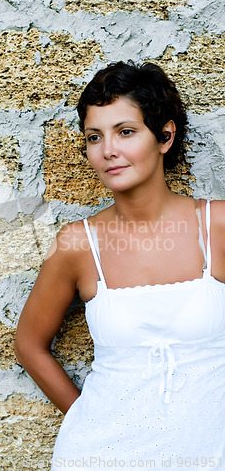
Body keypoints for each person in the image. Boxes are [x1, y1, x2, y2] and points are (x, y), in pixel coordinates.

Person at [14, 61, 225, 470]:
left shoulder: (216, 227)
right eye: (95, 137)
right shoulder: (78, 244)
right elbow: (29, 344)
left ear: (164, 136)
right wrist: (84, 418)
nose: (108, 150)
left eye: (125, 132)